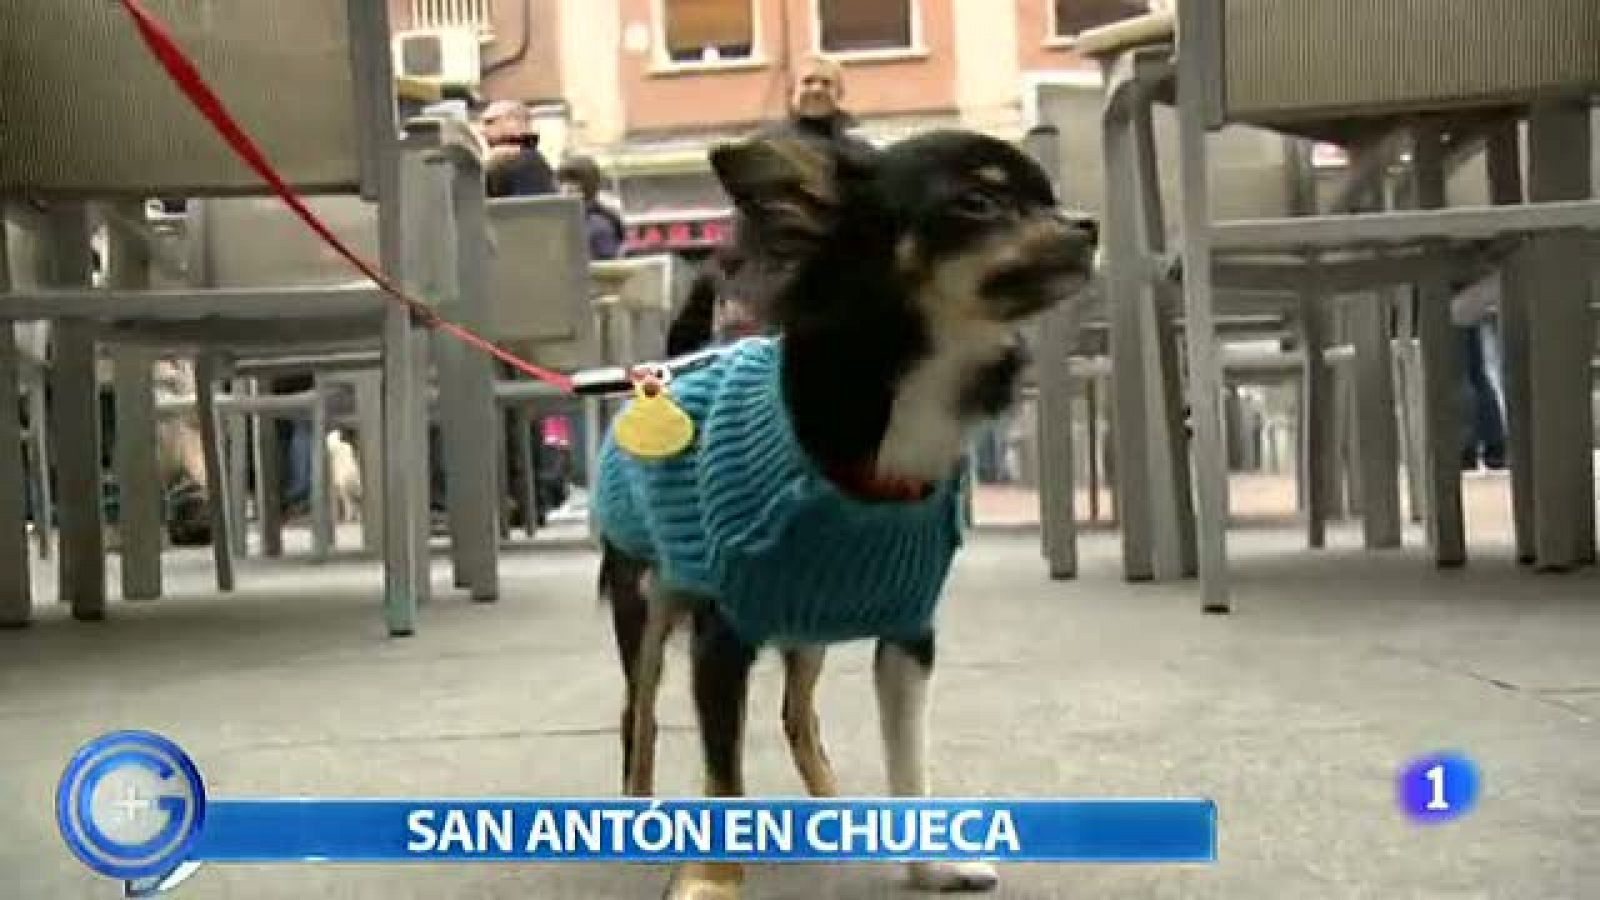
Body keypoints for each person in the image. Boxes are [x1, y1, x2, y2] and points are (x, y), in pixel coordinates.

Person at [718, 57, 879, 343]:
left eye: (826, 83)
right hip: (770, 294)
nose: (816, 89)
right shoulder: (764, 148)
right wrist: (737, 292)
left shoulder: (862, 157)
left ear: (839, 94)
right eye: (808, 81)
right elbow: (744, 225)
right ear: (792, 91)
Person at [1452, 268, 1508, 471]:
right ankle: (1493, 444)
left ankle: (1469, 446)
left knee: (1463, 372)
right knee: (1476, 371)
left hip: (1455, 289)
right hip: (1468, 282)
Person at [480, 100, 557, 198]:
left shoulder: (521, 161)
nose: (482, 130)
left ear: (513, 122)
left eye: (490, 122)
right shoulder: (530, 158)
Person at [556, 155, 626, 261]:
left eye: (573, 182)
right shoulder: (563, 222)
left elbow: (609, 270)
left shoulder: (599, 226)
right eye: (563, 182)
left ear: (588, 185)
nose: (566, 187)